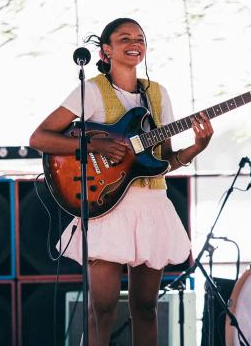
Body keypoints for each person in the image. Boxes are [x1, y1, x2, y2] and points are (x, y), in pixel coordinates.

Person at [28, 18, 213, 346]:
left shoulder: (157, 93)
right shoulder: (91, 90)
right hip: (106, 206)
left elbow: (163, 162)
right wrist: (93, 144)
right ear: (106, 50)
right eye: (125, 37)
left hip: (152, 207)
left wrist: (195, 149)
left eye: (140, 38)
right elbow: (39, 137)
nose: (135, 43)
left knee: (146, 307)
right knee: (102, 308)